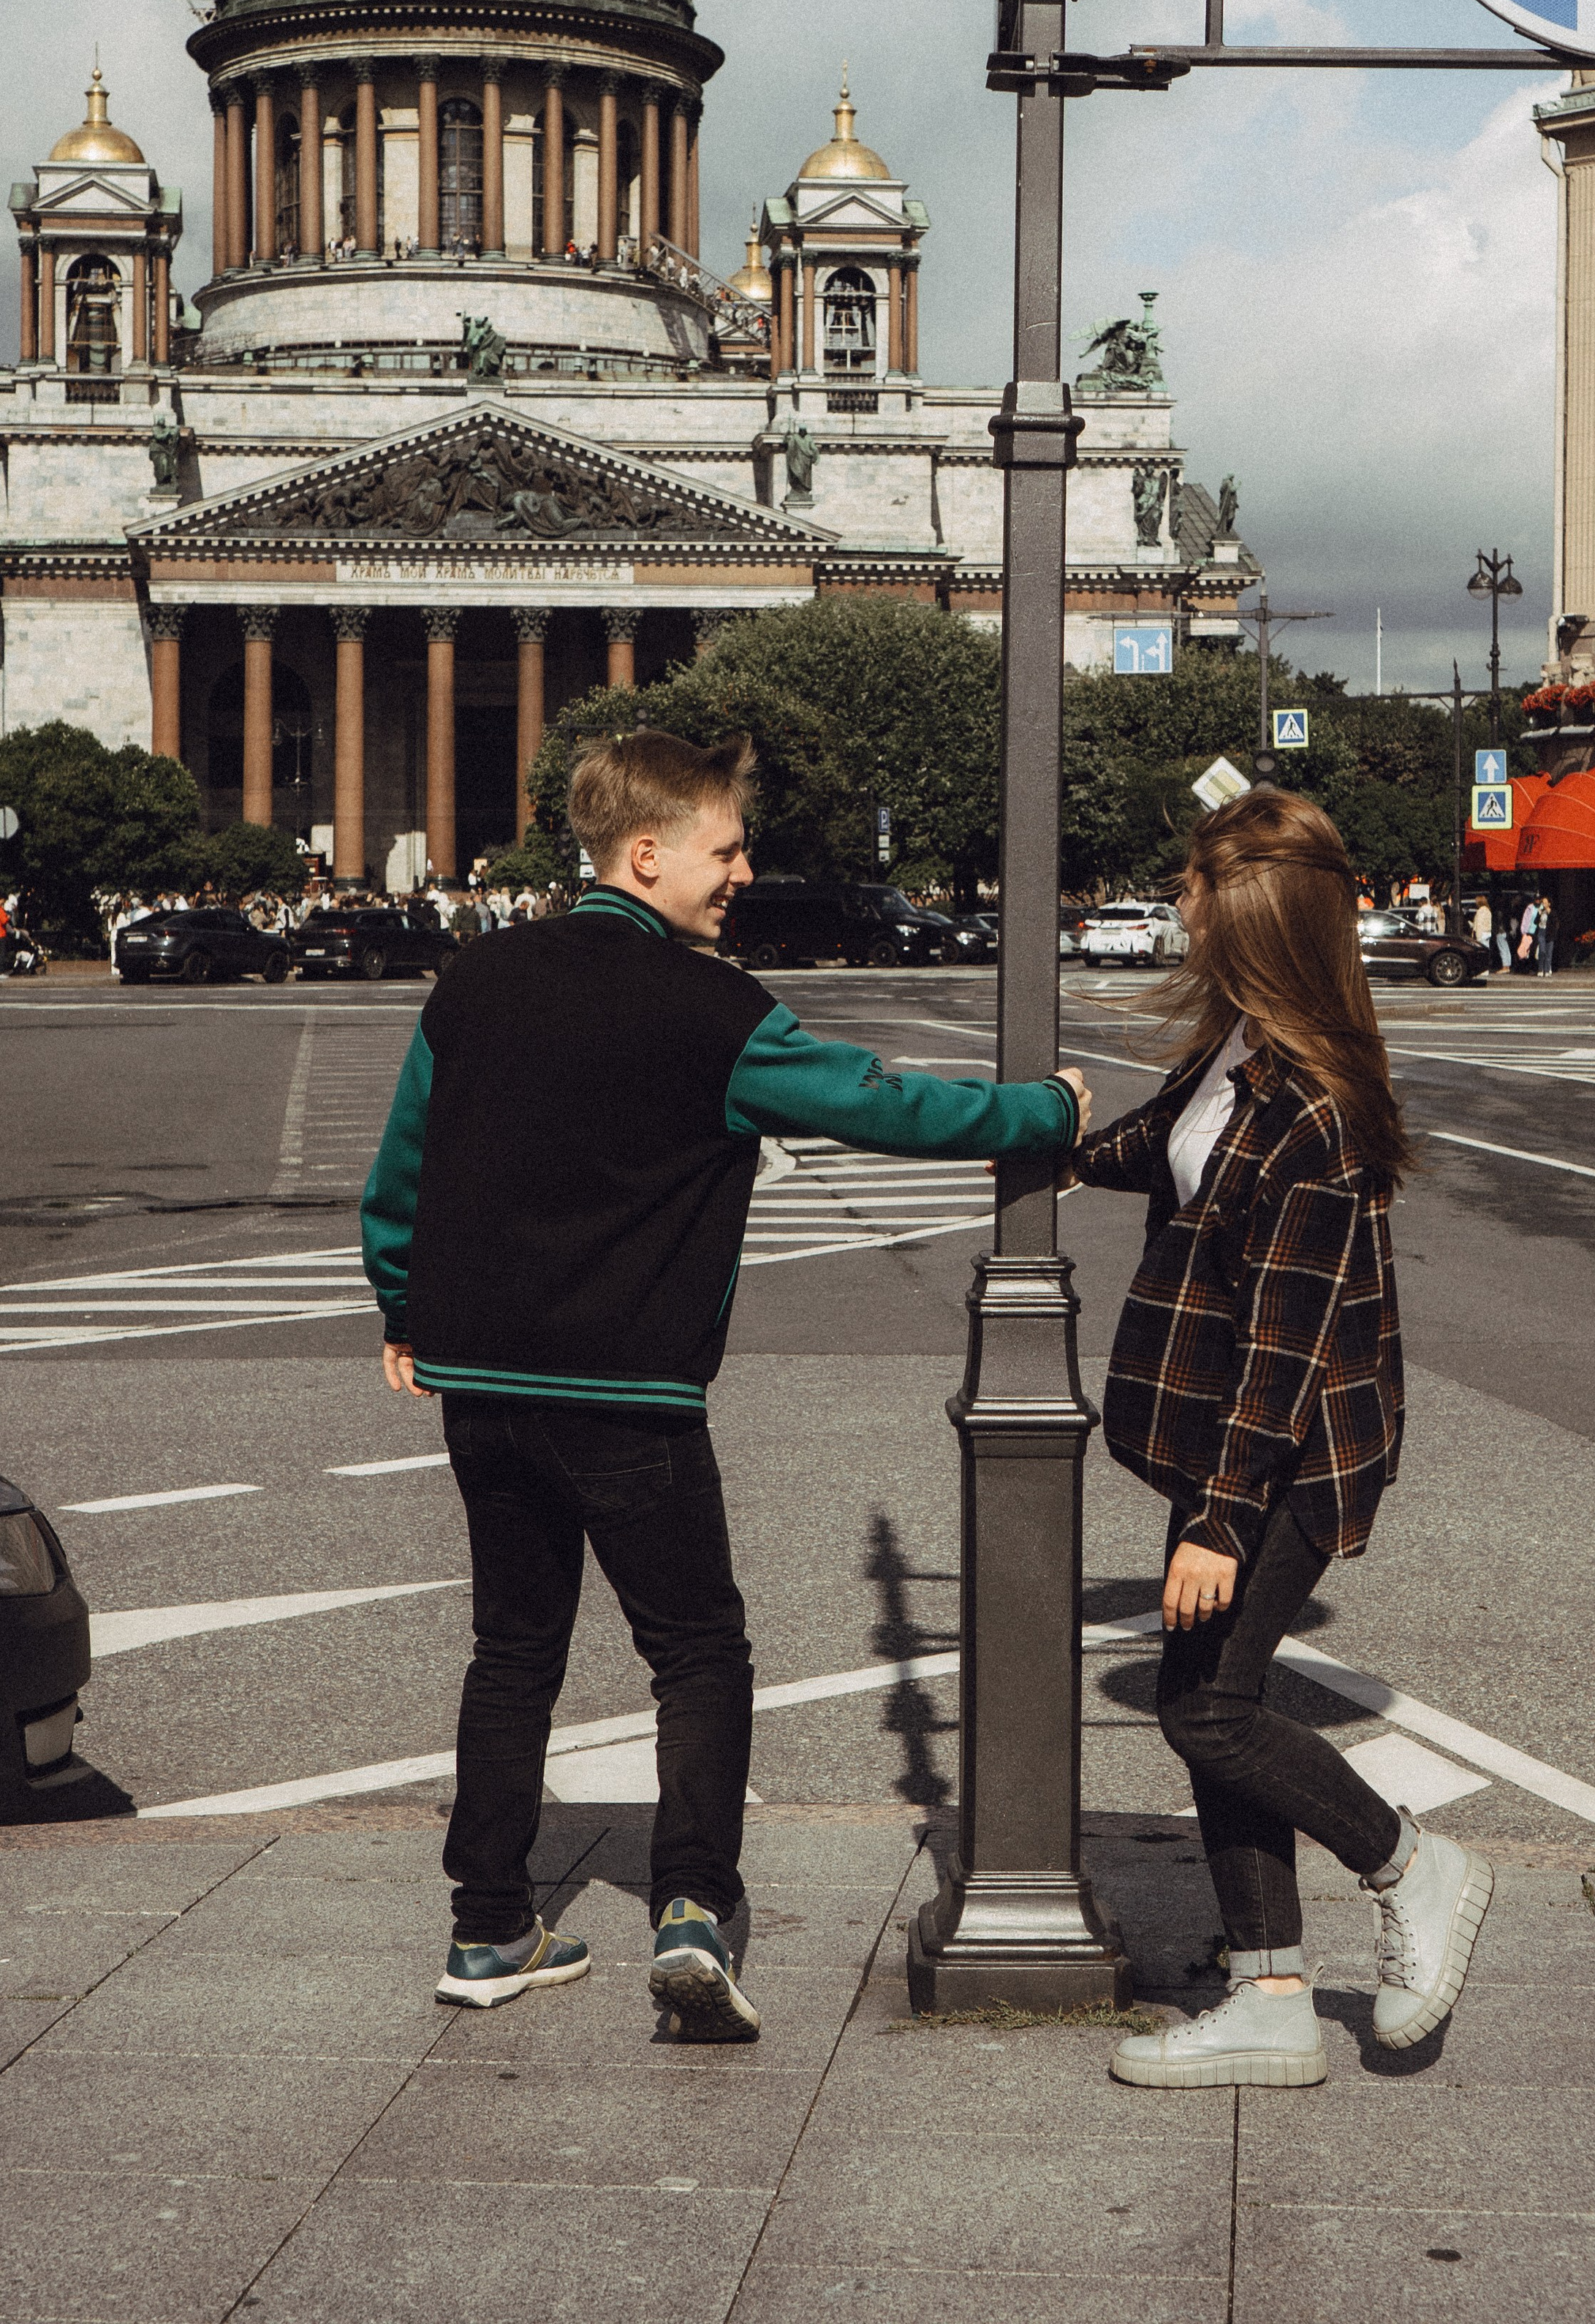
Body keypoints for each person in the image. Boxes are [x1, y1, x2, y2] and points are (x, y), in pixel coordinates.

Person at [360, 729, 1089, 2030]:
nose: (745, 871)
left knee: (512, 1650)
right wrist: (1049, 1113)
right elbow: (884, 1105)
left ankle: (484, 1932)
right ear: (647, 855)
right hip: (628, 1388)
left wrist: (401, 1304)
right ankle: (692, 1911)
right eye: (727, 847)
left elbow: (403, 1164)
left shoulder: (477, 977)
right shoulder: (717, 1010)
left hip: (480, 1381)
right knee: (697, 1649)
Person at [1080, 787, 1492, 2091]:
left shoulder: (1312, 1103)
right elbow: (1162, 1150)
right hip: (1230, 1443)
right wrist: (1047, 1142)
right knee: (1216, 1702)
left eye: (1197, 888)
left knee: (1209, 1710)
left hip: (1285, 1452)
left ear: (1247, 913)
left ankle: (1415, 1867)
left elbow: (1287, 1336)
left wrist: (1217, 1517)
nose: (1179, 905)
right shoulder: (1237, 1052)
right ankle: (1266, 1989)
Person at [1470, 894, 1493, 972]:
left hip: (1482, 934)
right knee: (1486, 952)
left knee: (1481, 953)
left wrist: (1478, 936)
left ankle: (1483, 970)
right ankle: (1486, 969)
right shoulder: (1487, 910)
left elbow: (1479, 924)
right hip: (1487, 933)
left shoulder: (1481, 911)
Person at [1535, 890, 1555, 977]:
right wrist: (1539, 914)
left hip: (1549, 933)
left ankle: (1547, 970)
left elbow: (1555, 922)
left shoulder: (1552, 913)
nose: (1544, 904)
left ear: (1549, 904)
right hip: (1542, 932)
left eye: (1546, 902)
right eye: (1543, 902)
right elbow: (1535, 922)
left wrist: (1548, 911)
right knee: (1542, 951)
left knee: (1549, 953)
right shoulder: (1541, 912)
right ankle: (1540, 969)